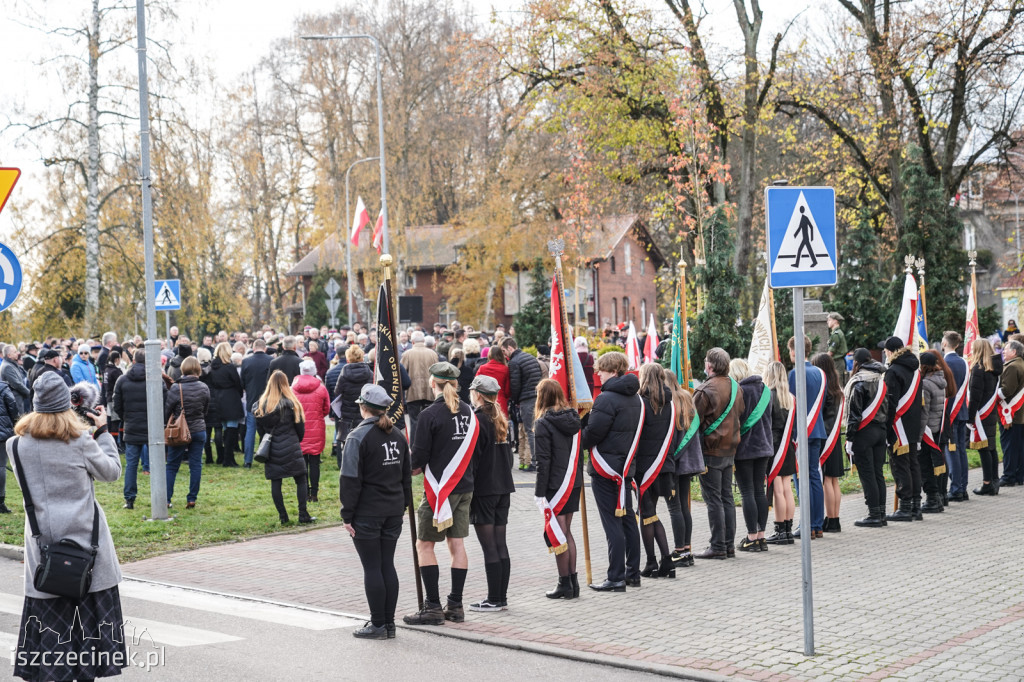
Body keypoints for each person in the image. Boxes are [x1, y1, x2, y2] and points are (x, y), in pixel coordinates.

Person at [9, 372, 126, 682]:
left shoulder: (15, 446)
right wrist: (103, 432)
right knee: (88, 638)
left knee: (51, 642)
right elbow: (111, 472)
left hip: (44, 549)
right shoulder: (81, 441)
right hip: (87, 547)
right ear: (66, 405)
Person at [404, 362, 480, 626]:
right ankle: (456, 606)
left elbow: (418, 462)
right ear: (457, 384)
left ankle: (433, 607)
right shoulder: (470, 412)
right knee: (457, 545)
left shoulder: (428, 415)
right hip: (465, 486)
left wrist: (406, 466)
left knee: (424, 545)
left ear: (431, 383)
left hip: (440, 490)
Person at [340, 384, 411, 640]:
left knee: (372, 568)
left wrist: (347, 515)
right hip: (393, 511)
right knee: (386, 565)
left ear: (363, 407)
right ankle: (388, 624)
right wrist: (401, 505)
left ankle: (378, 624)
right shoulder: (399, 434)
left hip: (368, 513)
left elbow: (349, 479)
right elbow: (406, 476)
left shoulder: (358, 437)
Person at [581, 351, 644, 590]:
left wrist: (580, 434)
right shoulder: (636, 397)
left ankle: (615, 577)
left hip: (605, 468)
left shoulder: (606, 398)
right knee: (628, 520)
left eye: (601, 370)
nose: (598, 374)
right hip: (625, 468)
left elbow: (594, 433)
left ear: (613, 371)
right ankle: (632, 573)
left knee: (612, 524)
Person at [466, 375, 515, 612]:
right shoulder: (500, 418)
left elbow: (473, 459)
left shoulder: (477, 421)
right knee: (500, 544)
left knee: (490, 547)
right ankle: (500, 597)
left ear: (477, 394)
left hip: (485, 489)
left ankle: (494, 598)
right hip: (503, 487)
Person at [532, 378, 583, 599]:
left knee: (559, 533)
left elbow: (544, 461)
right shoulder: (574, 418)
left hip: (555, 484)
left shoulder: (543, 423)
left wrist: (539, 492)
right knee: (567, 532)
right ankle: (572, 582)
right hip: (573, 481)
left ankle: (565, 584)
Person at [693, 348, 745, 558]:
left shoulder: (705, 390)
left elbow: (693, 420)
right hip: (730, 447)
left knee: (714, 499)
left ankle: (718, 546)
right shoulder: (736, 388)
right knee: (727, 498)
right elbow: (740, 412)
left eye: (706, 361)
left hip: (711, 450)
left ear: (710, 366)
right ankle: (728, 545)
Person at [634, 362, 679, 576]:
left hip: (645, 467)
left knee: (647, 514)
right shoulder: (670, 404)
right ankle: (664, 562)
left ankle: (655, 561)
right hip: (664, 466)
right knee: (651, 514)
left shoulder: (641, 403)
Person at [255, 370, 315, 524]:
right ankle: (303, 514)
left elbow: (260, 431)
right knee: (301, 479)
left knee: (276, 482)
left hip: (272, 448)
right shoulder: (292, 404)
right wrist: (294, 440)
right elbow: (300, 430)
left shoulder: (261, 405)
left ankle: (283, 517)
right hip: (291, 445)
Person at [730, 358, 773, 551]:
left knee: (747, 491)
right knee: (759, 491)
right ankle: (762, 537)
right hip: (764, 446)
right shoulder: (765, 390)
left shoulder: (739, 392)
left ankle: (751, 537)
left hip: (745, 448)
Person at [843, 348, 889, 527]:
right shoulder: (882, 379)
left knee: (867, 474)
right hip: (881, 431)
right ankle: (882, 512)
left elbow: (854, 414)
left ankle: (874, 514)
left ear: (857, 362)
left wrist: (850, 437)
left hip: (864, 433)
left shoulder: (859, 382)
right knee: (878, 473)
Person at [113, 350, 165, 509]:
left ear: (133, 360)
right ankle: (161, 497)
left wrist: (126, 418)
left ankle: (129, 499)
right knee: (157, 464)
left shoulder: (122, 380)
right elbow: (164, 401)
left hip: (132, 425)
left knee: (131, 465)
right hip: (152, 426)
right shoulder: (156, 379)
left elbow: (117, 406)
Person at [663, 370, 703, 566]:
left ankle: (679, 550)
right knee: (684, 506)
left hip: (674, 462)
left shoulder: (668, 402)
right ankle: (687, 549)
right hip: (688, 461)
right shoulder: (687, 397)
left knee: (674, 507)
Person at [883, 336, 923, 522]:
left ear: (890, 351)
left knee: (900, 465)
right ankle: (916, 505)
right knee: (913, 463)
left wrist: (887, 425)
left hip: (898, 425)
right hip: (914, 423)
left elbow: (891, 402)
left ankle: (905, 506)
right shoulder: (915, 370)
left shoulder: (893, 372)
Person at [164, 356, 210, 509]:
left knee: (171, 466)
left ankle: (167, 499)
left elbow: (167, 410)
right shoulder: (204, 387)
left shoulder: (177, 388)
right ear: (198, 369)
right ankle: (192, 498)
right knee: (195, 465)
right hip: (198, 429)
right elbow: (205, 409)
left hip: (179, 431)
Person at [811, 352, 845, 532]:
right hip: (835, 438)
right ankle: (835, 519)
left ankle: (830, 519)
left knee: (826, 481)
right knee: (833, 480)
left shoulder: (823, 389)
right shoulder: (838, 389)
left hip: (825, 437)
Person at [764, 361, 797, 544]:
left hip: (775, 446)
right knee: (787, 488)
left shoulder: (769, 395)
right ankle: (788, 530)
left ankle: (779, 531)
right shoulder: (791, 397)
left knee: (778, 490)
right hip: (788, 446)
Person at [918, 350, 951, 513]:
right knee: (934, 464)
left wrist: (918, 437)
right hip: (937, 427)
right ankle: (937, 497)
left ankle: (932, 499)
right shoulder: (940, 379)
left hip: (927, 431)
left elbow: (924, 413)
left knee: (925, 466)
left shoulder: (925, 384)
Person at [968, 338, 1002, 496]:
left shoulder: (978, 368)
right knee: (991, 447)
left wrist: (970, 417)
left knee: (983, 448)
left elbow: (975, 395)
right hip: (990, 412)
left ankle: (987, 483)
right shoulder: (993, 367)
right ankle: (995, 481)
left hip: (981, 413)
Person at [503, 337, 542, 472]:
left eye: (504, 351)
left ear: (510, 348)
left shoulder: (514, 362)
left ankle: (535, 461)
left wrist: (514, 400)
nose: (504, 354)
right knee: (535, 429)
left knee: (529, 430)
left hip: (526, 399)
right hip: (537, 396)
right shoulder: (530, 357)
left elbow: (515, 385)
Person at [293, 359, 329, 502]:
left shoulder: (292, 389)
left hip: (299, 429)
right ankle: (314, 493)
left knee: (302, 463)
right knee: (314, 462)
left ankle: (304, 491)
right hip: (316, 428)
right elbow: (326, 408)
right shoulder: (321, 388)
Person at [941, 332, 970, 502]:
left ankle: (956, 489)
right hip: (962, 411)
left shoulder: (944, 363)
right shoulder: (964, 362)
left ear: (944, 343)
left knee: (951, 451)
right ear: (957, 345)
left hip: (949, 412)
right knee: (960, 450)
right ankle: (962, 487)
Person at [333, 345, 374, 465]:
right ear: (362, 357)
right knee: (365, 440)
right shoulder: (369, 372)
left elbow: (337, 391)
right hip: (365, 411)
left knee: (347, 441)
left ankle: (347, 466)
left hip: (348, 413)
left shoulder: (344, 373)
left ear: (348, 358)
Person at [210, 342, 244, 467]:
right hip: (231, 399)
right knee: (232, 430)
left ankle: (225, 457)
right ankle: (228, 459)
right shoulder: (229, 367)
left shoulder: (213, 367)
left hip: (218, 399)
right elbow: (237, 383)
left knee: (225, 429)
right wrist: (238, 394)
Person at [400, 331, 439, 438]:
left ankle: (414, 448)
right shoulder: (432, 353)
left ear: (412, 341)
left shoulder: (407, 354)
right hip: (431, 391)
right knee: (430, 421)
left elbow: (402, 374)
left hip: (412, 393)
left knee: (414, 422)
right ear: (424, 341)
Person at [241, 338, 272, 468]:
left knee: (250, 430)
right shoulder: (271, 361)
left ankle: (248, 461)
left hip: (251, 399)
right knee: (268, 430)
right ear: (264, 348)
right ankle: (266, 456)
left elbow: (242, 382)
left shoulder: (246, 361)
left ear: (253, 348)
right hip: (268, 400)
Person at [998, 339, 1024, 487]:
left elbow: (1007, 390)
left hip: (1011, 414)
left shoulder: (1012, 366)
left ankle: (1009, 476)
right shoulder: (1020, 363)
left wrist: (992, 396)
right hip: (1019, 414)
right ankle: (1019, 475)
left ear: (1014, 352)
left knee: (1009, 447)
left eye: (1006, 349)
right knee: (1019, 446)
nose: (1003, 351)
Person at [474, 344, 511, 417]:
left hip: (485, 401)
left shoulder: (482, 368)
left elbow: (475, 385)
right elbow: (507, 391)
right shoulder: (505, 369)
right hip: (501, 401)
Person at [0, 374, 18, 513]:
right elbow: (12, 408)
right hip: (3, 431)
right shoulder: (3, 387)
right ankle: (0, 501)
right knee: (1, 466)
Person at [101, 349, 123, 447]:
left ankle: (112, 442)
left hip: (108, 398)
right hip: (115, 399)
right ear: (117, 359)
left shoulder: (106, 370)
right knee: (116, 421)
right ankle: (116, 444)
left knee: (111, 421)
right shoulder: (115, 371)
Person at [2, 344, 29, 415]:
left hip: (18, 399)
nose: (18, 353)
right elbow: (16, 384)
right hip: (15, 400)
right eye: (15, 352)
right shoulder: (7, 367)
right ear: (9, 355)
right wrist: (29, 393)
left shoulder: (12, 364)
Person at [826, 313, 848, 381]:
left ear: (835, 321)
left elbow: (831, 352)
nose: (827, 322)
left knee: (837, 383)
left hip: (837, 362)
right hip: (837, 362)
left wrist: (822, 360)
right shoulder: (836, 333)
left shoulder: (836, 334)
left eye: (829, 320)